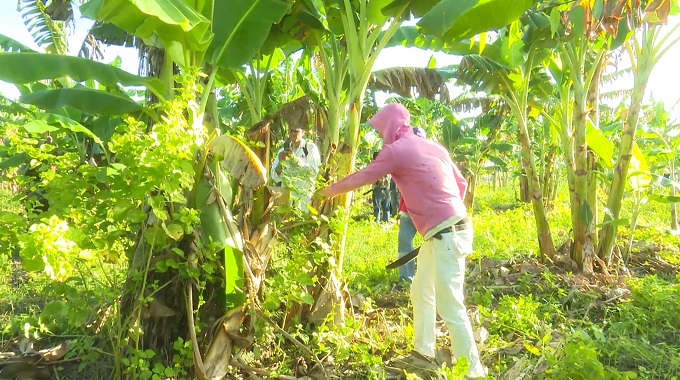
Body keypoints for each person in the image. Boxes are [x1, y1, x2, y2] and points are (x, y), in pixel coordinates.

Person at [315, 103, 485, 378]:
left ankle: (473, 371)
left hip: (447, 233)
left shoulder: (396, 151)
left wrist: (326, 192)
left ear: (389, 127)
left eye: (381, 128)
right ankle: (423, 352)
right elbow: (461, 183)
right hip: (449, 229)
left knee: (450, 304)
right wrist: (439, 213)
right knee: (421, 290)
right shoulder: (433, 145)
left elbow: (363, 177)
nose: (380, 134)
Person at [393, 126, 428, 289]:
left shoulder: (430, 160)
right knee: (404, 242)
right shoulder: (403, 161)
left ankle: (427, 276)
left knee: (433, 244)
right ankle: (406, 278)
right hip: (407, 212)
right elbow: (403, 190)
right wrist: (400, 211)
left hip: (426, 212)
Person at [270, 126, 321, 211]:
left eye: (296, 131)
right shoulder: (282, 151)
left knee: (302, 221)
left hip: (304, 197)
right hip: (286, 197)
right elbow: (275, 177)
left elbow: (313, 172)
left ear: (303, 132)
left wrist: (296, 160)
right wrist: (280, 162)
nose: (293, 134)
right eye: (291, 131)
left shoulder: (310, 148)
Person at [371, 152, 391, 223]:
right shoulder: (386, 165)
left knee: (377, 207)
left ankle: (377, 221)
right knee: (386, 207)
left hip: (378, 189)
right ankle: (386, 221)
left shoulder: (374, 166)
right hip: (386, 189)